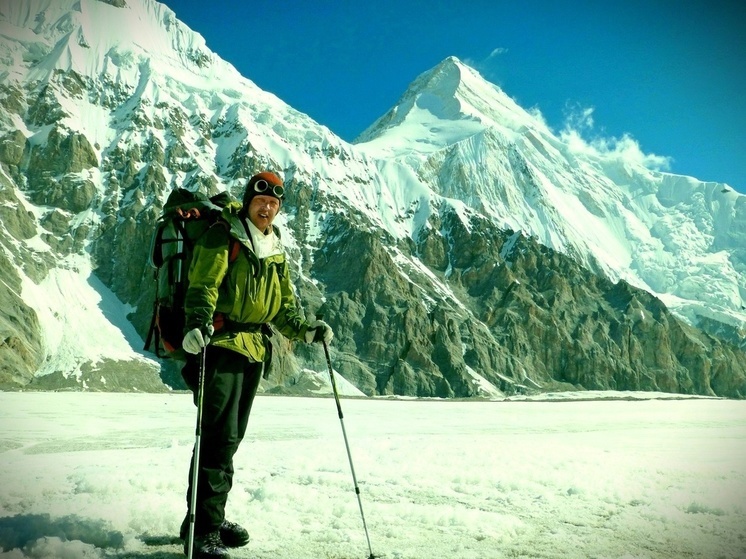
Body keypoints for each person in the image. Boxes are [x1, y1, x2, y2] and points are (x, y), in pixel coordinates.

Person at [178, 171, 333, 559]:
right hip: (222, 345)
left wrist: (305, 331)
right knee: (219, 438)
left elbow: (281, 306)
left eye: (274, 204)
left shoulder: (273, 247)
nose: (267, 208)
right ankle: (203, 533)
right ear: (249, 201)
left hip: (253, 350)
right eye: (261, 201)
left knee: (229, 440)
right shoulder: (224, 235)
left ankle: (201, 519)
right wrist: (197, 323)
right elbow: (203, 285)